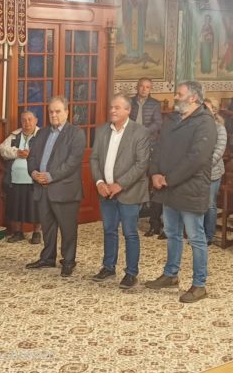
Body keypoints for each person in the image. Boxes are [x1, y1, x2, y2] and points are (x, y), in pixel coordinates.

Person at [146, 81, 217, 303]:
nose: (175, 97)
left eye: (179, 94)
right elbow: (159, 147)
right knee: (172, 232)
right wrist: (154, 173)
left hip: (190, 188)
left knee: (195, 237)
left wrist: (168, 179)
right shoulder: (173, 119)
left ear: (193, 98)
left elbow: (196, 158)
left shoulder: (206, 123)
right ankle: (171, 274)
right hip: (168, 188)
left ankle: (199, 285)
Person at [90, 94, 150, 289]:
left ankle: (131, 273)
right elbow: (94, 159)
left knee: (130, 233)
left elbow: (141, 164)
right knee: (109, 230)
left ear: (128, 110)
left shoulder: (139, 132)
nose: (112, 110)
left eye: (117, 107)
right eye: (111, 107)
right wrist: (100, 182)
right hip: (105, 192)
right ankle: (108, 267)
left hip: (129, 192)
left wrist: (120, 184)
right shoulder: (102, 130)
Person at [26, 96, 86, 277]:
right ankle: (47, 258)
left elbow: (72, 163)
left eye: (58, 111)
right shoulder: (42, 133)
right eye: (51, 112)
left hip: (65, 189)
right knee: (47, 227)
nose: (53, 115)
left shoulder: (76, 134)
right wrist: (33, 172)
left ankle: (68, 261)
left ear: (67, 112)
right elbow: (31, 157)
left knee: (68, 229)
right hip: (42, 188)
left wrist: (50, 176)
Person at [0, 111, 41, 244]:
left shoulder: (42, 135)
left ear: (36, 120)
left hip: (34, 178)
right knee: (16, 207)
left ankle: (37, 233)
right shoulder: (15, 135)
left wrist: (31, 154)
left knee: (35, 208)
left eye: (30, 119)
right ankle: (18, 233)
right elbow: (2, 149)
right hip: (15, 178)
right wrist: (17, 153)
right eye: (24, 120)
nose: (27, 123)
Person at [131, 77, 164, 238]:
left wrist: (143, 131)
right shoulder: (130, 102)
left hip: (150, 145)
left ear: (151, 89)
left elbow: (158, 123)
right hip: (131, 145)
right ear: (137, 87)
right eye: (142, 86)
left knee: (152, 182)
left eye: (147, 87)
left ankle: (154, 223)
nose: (144, 89)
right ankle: (132, 216)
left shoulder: (155, 104)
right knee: (134, 179)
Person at [203, 98, 227, 246]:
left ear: (214, 110)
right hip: (198, 172)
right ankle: (199, 234)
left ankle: (209, 235)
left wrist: (204, 165)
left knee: (210, 204)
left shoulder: (220, 128)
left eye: (207, 108)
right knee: (199, 203)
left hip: (213, 172)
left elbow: (219, 150)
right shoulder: (199, 125)